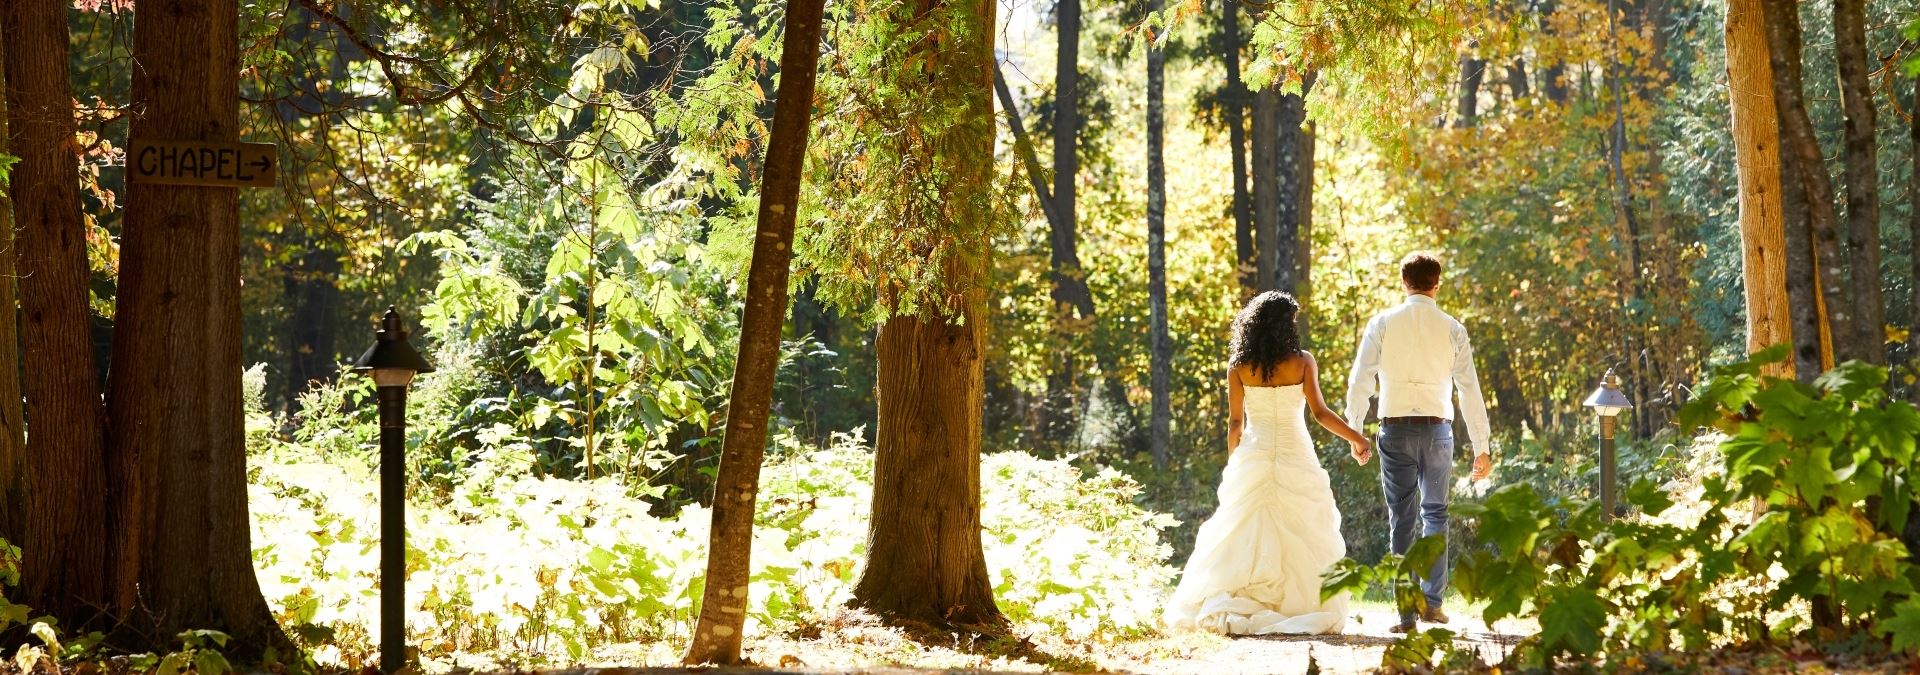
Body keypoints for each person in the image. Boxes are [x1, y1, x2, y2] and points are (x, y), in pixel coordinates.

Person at [1162, 291, 1372, 635]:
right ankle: (1301, 604)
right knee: (1304, 525)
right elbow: (1319, 413)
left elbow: (1234, 423)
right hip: (1295, 450)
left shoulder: (1239, 366)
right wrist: (1356, 437)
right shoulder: (1303, 361)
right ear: (1284, 325)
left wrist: (1235, 463)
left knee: (1243, 526)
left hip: (1254, 451)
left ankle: (1241, 593)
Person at [1344, 251, 1494, 633]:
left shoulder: (1382, 324)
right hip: (1438, 431)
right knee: (1436, 515)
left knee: (1403, 519)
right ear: (1437, 283)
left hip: (1394, 430)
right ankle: (1433, 603)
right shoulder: (1453, 329)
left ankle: (1407, 614)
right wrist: (1481, 445)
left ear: (1403, 281)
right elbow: (1469, 389)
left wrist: (1355, 429)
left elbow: (1361, 380)